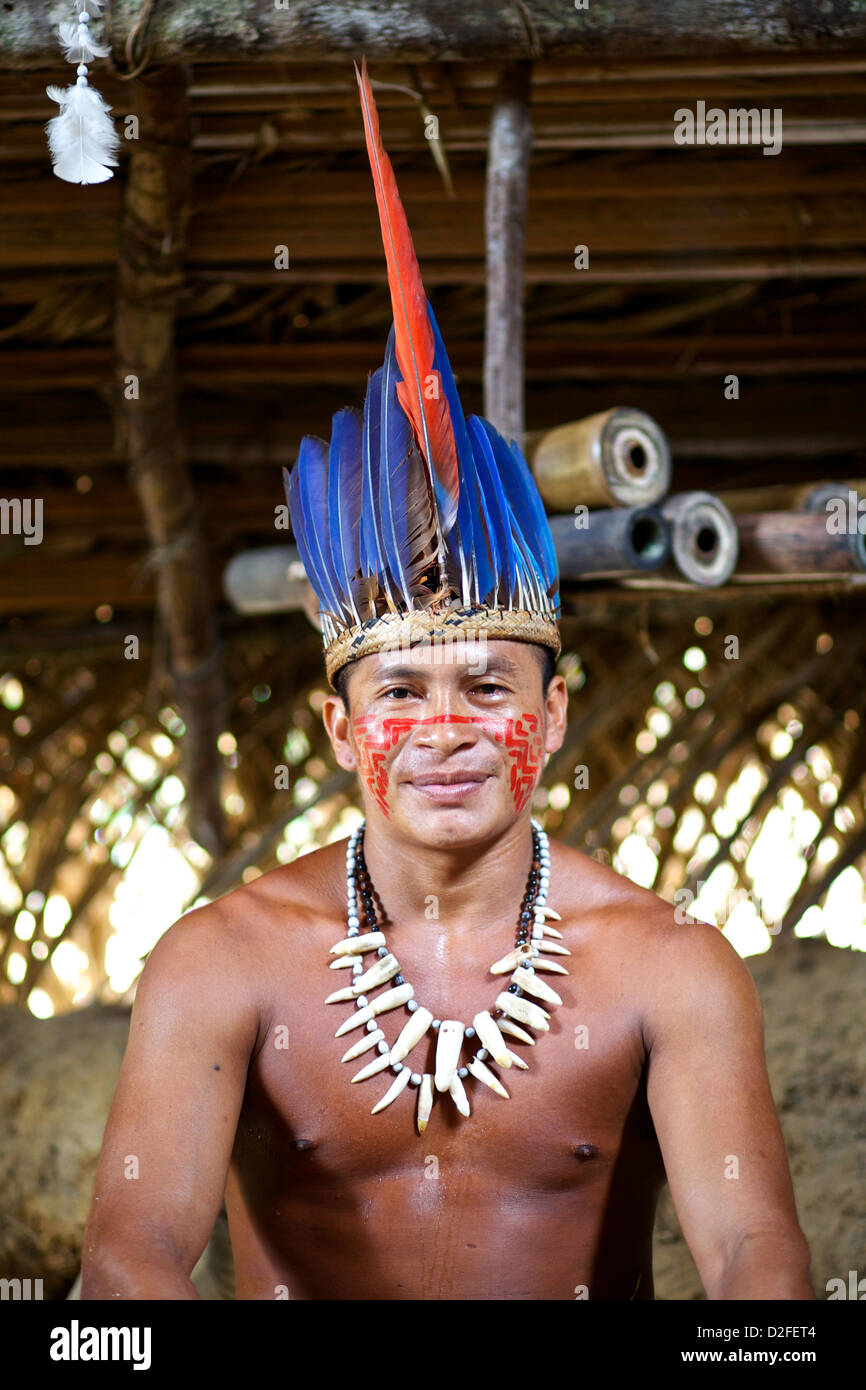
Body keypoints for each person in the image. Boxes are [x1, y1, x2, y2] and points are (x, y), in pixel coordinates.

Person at [79, 62, 813, 1302]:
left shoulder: (665, 966)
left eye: (487, 687)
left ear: (556, 710)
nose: (443, 730)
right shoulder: (222, 961)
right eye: (399, 692)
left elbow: (760, 1263)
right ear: (336, 726)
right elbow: (124, 1264)